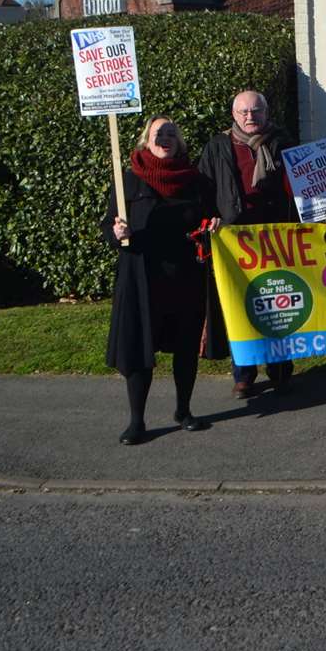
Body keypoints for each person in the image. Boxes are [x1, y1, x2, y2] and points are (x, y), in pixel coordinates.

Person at [102, 116, 219, 445]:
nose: (165, 138)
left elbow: (210, 218)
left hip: (185, 277)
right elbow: (106, 225)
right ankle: (136, 420)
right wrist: (116, 233)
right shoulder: (128, 181)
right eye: (158, 134)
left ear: (179, 142)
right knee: (140, 347)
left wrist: (212, 228)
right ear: (146, 141)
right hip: (141, 278)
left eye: (171, 134)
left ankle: (184, 411)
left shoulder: (196, 182)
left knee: (185, 346)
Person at [198, 90, 297, 397]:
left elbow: (307, 180)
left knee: (279, 302)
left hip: (276, 237)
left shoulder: (284, 143)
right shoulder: (217, 146)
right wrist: (210, 219)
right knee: (240, 306)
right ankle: (244, 373)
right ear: (234, 116)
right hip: (235, 241)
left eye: (256, 111)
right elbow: (203, 190)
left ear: (267, 113)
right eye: (243, 112)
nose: (250, 117)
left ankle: (280, 368)